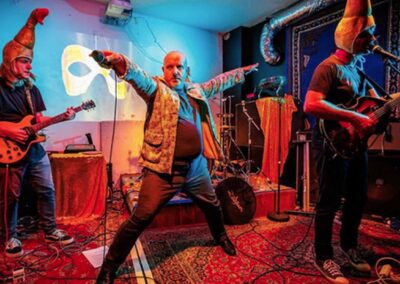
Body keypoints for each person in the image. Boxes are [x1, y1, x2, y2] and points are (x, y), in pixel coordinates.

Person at [91, 49, 258, 283]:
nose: (175, 71)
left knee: (212, 205)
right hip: (162, 170)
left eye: (179, 67)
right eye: (170, 66)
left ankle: (221, 237)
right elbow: (138, 77)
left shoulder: (195, 90)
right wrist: (121, 62)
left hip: (196, 169)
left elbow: (218, 82)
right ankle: (109, 266)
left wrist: (241, 72)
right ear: (163, 70)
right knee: (141, 216)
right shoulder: (157, 90)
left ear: (187, 71)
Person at [303, 0, 385, 283]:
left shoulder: (358, 69)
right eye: (366, 36)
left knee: (357, 199)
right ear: (352, 36)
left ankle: (349, 247)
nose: (371, 41)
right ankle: (323, 256)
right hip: (331, 145)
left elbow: (371, 106)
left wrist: (379, 112)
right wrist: (353, 118)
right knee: (328, 201)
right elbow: (311, 104)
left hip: (355, 146)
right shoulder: (328, 67)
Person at [0, 8, 75, 258]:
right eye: (24, 61)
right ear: (10, 60)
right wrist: (8, 129)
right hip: (7, 150)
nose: (29, 65)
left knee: (47, 189)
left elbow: (38, 119)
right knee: (10, 195)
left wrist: (62, 117)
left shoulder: (32, 89)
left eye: (30, 61)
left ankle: (51, 229)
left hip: (34, 148)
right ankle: (10, 237)